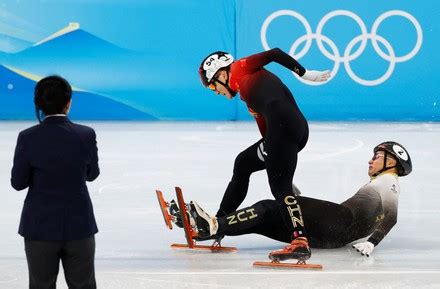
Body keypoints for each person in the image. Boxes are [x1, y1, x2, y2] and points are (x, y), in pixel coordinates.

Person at [198, 48, 331, 261]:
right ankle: (219, 223)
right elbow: (265, 131)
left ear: (223, 74)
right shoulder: (245, 94)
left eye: (213, 84)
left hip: (285, 128)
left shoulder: (240, 67)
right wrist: (273, 157)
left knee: (280, 187)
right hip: (285, 131)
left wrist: (304, 73)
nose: (215, 90)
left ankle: (300, 242)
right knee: (243, 163)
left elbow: (275, 54)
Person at [184, 141, 412, 258]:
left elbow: (392, 216)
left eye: (377, 156)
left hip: (342, 221)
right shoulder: (379, 184)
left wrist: (373, 242)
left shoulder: (388, 181)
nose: (370, 161)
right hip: (332, 237)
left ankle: (213, 224)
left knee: (268, 206)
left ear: (392, 163)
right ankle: (211, 229)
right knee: (265, 218)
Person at [11, 75, 100, 289]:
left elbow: (18, 182)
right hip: (79, 225)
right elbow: (92, 174)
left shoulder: (27, 137)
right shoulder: (86, 134)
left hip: (39, 227)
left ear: (38, 103)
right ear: (68, 102)